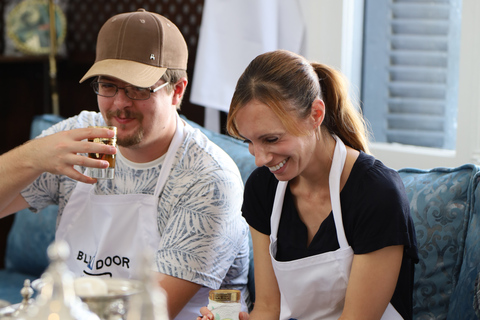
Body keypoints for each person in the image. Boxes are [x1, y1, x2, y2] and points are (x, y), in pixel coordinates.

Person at [0, 9, 250, 320]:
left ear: (178, 90)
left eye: (138, 88)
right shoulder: (80, 139)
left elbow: (149, 313)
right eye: (108, 85)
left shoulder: (207, 179)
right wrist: (33, 155)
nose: (120, 104)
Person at [199, 49, 418, 320]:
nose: (260, 159)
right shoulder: (263, 188)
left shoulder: (378, 195)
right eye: (249, 142)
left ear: (316, 114)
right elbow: (269, 308)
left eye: (272, 139)